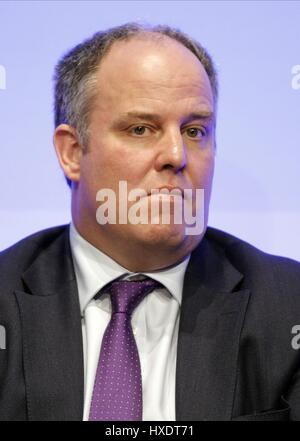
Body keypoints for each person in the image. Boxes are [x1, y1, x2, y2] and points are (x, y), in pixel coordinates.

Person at [0, 22, 300, 422]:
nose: (177, 155)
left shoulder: (288, 306)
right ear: (72, 152)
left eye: (195, 131)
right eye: (141, 129)